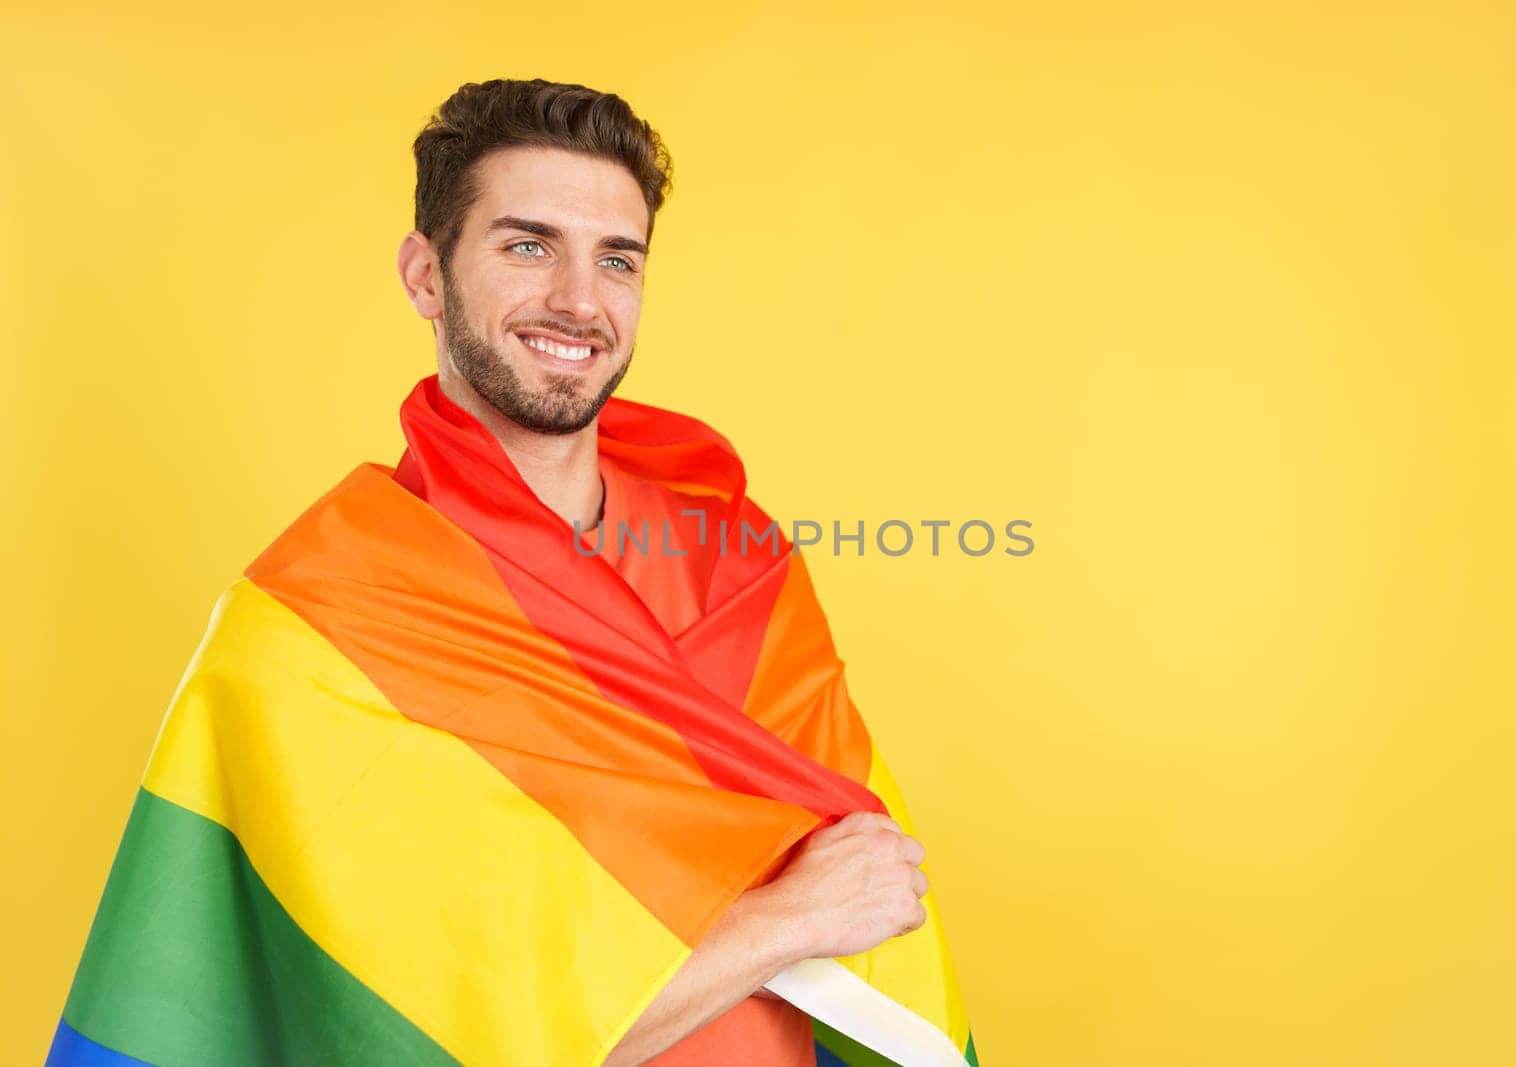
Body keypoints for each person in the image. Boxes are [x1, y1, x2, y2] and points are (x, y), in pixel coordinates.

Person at [47, 78, 977, 1067]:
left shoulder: (736, 560)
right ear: (425, 275)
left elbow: (873, 891)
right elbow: (426, 1035)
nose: (578, 300)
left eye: (615, 258)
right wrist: (782, 919)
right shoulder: (317, 628)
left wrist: (818, 904)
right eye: (528, 244)